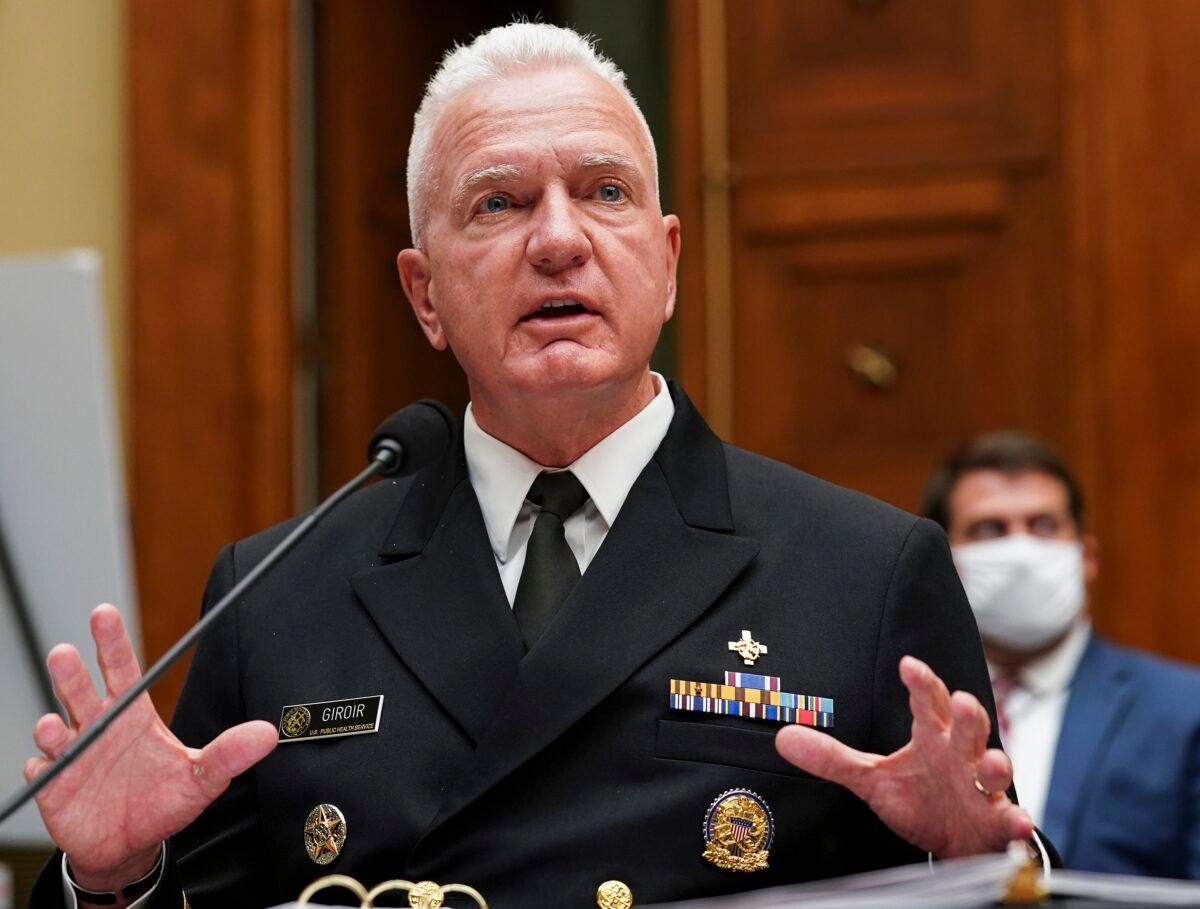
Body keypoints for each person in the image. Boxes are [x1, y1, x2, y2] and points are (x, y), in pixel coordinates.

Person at [27, 24, 1037, 908]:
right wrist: (115, 880)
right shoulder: (277, 590)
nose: (560, 240)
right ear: (424, 294)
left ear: (670, 261)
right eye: (500, 204)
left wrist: (979, 871)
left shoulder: (863, 571)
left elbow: (1000, 869)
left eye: (604, 192)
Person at [925, 431, 1200, 879]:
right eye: (989, 529)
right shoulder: (902, 709)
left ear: (1086, 556)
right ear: (942, 563)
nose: (1020, 551)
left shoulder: (1185, 710)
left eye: (1043, 525)